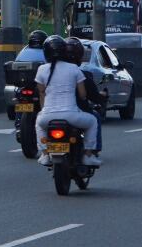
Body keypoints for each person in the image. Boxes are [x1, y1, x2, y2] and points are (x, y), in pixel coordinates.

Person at [34, 36, 100, 168]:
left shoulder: (41, 69)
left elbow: (41, 93)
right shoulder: (74, 68)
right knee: (93, 121)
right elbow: (82, 95)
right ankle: (88, 155)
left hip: (47, 116)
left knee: (38, 123)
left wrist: (43, 111)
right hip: (72, 116)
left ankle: (45, 154)